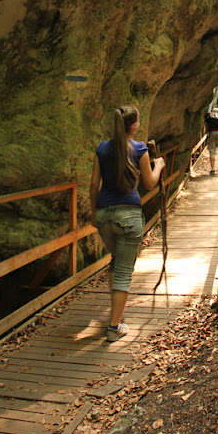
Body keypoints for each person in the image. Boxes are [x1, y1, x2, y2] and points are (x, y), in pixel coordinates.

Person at [90, 106, 165, 341]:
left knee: (116, 262)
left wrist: (95, 214)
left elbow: (94, 185)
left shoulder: (102, 148)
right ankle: (114, 327)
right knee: (123, 270)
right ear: (134, 126)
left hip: (104, 216)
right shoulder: (140, 149)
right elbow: (150, 183)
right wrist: (159, 165)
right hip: (128, 217)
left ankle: (116, 315)